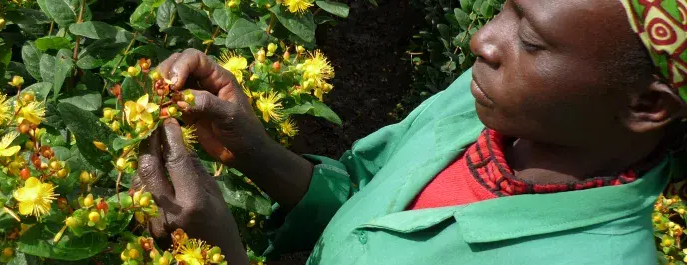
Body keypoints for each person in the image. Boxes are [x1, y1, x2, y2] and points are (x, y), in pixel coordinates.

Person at [133, 0, 687, 264]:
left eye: (534, 42)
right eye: (503, 9)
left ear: (645, 106)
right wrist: (253, 149)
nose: (484, 41)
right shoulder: (487, 108)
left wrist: (214, 252)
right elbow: (366, 196)